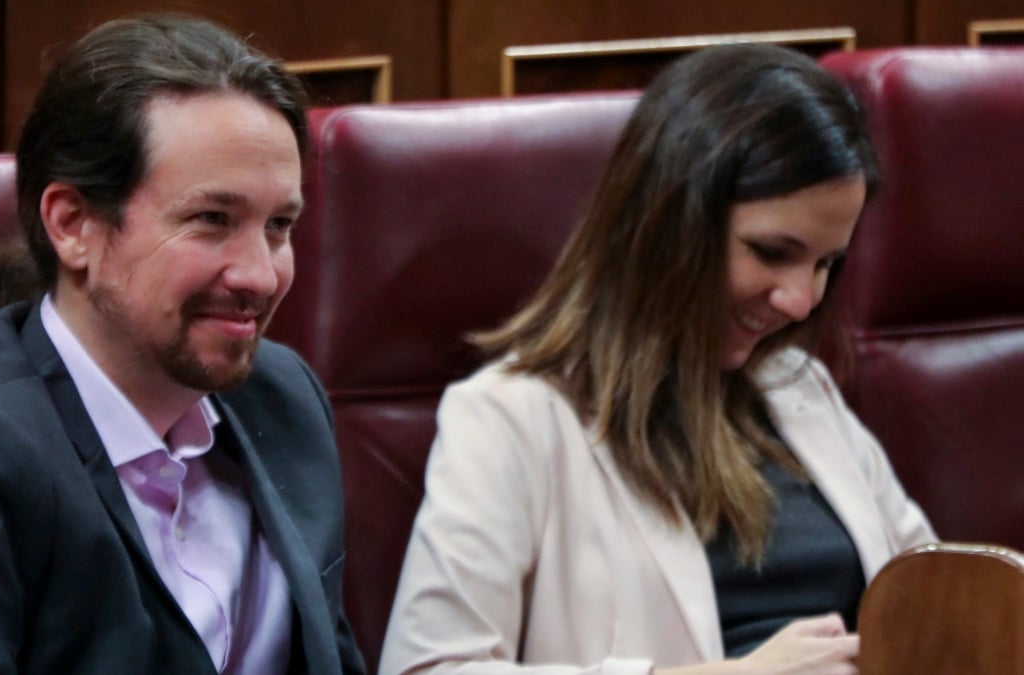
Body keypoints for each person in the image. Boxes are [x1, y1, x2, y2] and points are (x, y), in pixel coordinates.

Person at [0, 14, 365, 675]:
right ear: (73, 224)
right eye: (211, 220)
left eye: (279, 225)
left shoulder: (285, 397)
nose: (260, 273)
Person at [379, 44, 934, 675]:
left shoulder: (797, 386)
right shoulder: (510, 418)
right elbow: (427, 669)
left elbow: (938, 596)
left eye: (826, 264)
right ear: (668, 227)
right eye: (773, 252)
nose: (802, 300)